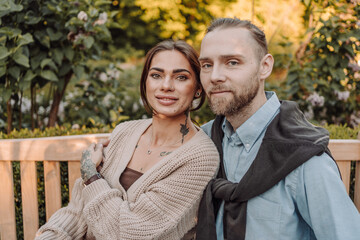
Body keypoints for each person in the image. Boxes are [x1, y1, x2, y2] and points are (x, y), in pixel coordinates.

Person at [35, 40, 220, 240]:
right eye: (156, 75)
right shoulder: (124, 132)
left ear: (198, 88)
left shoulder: (201, 158)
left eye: (181, 77)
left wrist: (92, 176)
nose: (166, 86)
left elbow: (130, 233)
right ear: (146, 82)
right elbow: (78, 211)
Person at [195, 17, 360, 240]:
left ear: (265, 67)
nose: (214, 76)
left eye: (232, 62)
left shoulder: (304, 158)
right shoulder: (203, 142)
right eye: (206, 65)